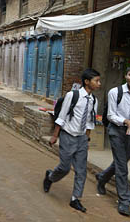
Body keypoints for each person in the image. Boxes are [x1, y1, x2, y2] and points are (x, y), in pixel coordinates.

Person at [43, 69, 101, 213]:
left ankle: (76, 199)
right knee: (65, 167)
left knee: (81, 170)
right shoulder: (72, 95)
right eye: (96, 81)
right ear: (87, 82)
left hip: (81, 138)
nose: (99, 84)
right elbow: (61, 117)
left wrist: (87, 140)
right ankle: (50, 177)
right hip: (68, 136)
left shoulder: (94, 100)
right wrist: (55, 136)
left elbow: (89, 122)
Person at [95, 65, 130, 217]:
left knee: (124, 159)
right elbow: (111, 115)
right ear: (126, 75)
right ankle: (125, 201)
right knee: (121, 166)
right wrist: (126, 121)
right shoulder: (115, 92)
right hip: (116, 129)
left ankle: (102, 177)